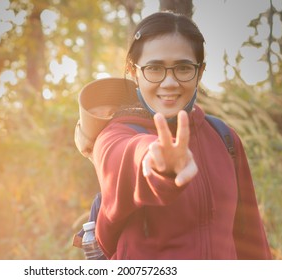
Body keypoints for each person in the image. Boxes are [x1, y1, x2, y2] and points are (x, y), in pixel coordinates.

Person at [77, 11, 271, 260]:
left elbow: (251, 239)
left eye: (183, 68)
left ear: (200, 72)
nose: (169, 82)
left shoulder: (225, 138)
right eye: (154, 68)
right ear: (133, 71)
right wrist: (157, 165)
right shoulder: (114, 136)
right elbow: (129, 157)